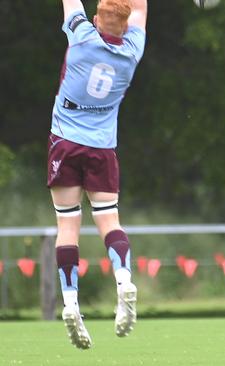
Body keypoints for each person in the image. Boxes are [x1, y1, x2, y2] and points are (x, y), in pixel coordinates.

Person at [48, 0, 147, 350]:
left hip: (65, 143)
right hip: (102, 149)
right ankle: (123, 280)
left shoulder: (81, 36)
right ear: (125, 26)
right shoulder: (133, 50)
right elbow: (140, 8)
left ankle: (71, 303)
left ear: (95, 19)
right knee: (109, 221)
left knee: (67, 225)